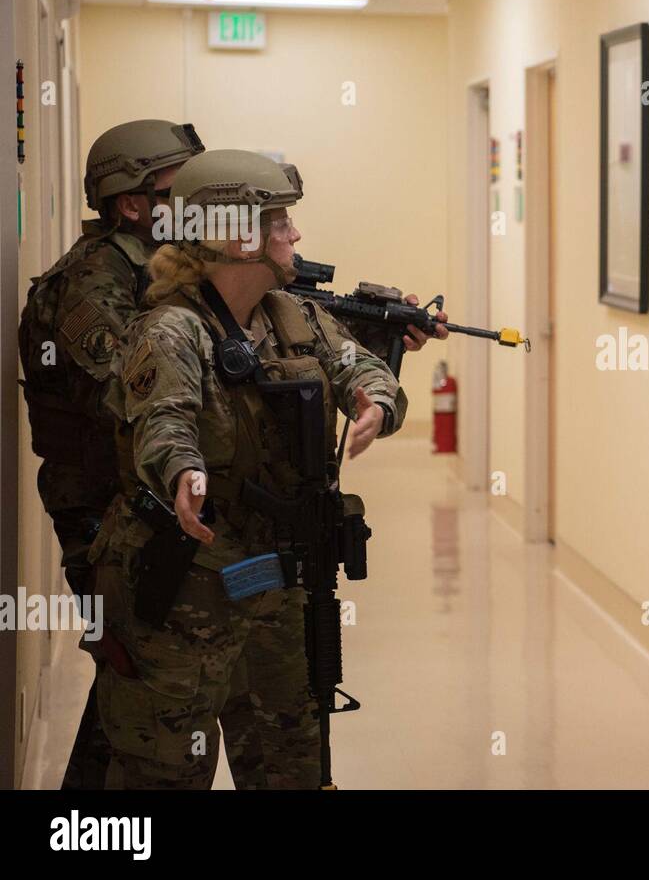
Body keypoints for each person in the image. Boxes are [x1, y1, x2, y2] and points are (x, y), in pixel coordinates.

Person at [90, 148, 431, 788]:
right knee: (165, 769)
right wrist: (183, 473)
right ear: (238, 237)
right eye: (279, 222)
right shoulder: (169, 330)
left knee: (288, 758)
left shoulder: (294, 315)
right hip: (185, 579)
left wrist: (377, 404)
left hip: (274, 579)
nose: (295, 235)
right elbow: (164, 420)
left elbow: (364, 368)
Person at [19, 119, 206, 788]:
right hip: (101, 519)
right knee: (139, 683)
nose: (193, 202)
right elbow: (129, 395)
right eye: (175, 189)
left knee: (135, 699)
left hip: (138, 507)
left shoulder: (151, 265)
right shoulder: (92, 282)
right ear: (132, 202)